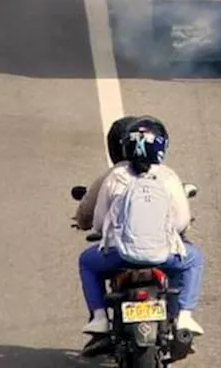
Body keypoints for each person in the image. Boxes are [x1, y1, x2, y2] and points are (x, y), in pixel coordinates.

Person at [79, 117, 205, 337]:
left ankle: (99, 318)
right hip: (163, 254)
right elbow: (182, 222)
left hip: (120, 255)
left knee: (86, 262)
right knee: (194, 260)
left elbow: (98, 223)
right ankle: (184, 315)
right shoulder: (168, 176)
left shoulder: (116, 176)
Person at [73, 114, 148, 231]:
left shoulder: (111, 177)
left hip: (117, 245)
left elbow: (84, 217)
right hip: (163, 245)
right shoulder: (166, 175)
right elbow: (182, 219)